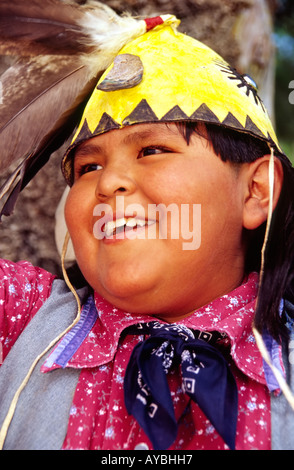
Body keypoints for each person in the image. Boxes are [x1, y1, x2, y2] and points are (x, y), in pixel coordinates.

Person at [0, 13, 294, 451]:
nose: (107, 182)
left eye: (153, 150)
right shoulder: (21, 316)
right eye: (88, 167)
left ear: (255, 191)